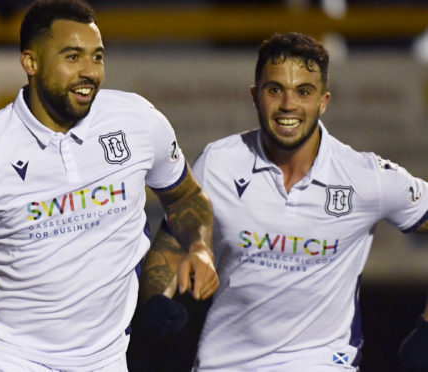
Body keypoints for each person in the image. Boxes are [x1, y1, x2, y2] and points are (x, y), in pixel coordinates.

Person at [0, 1, 219, 371]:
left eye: (97, 57)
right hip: (10, 361)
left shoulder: (137, 121)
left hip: (106, 362)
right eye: (72, 57)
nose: (89, 72)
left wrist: (200, 246)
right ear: (31, 62)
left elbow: (185, 196)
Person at [138, 32, 428, 371]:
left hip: (322, 362)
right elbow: (173, 238)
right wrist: (155, 300)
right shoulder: (219, 162)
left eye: (303, 92)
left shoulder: (366, 177)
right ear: (254, 96)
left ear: (324, 101)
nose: (288, 104)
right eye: (275, 90)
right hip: (224, 363)